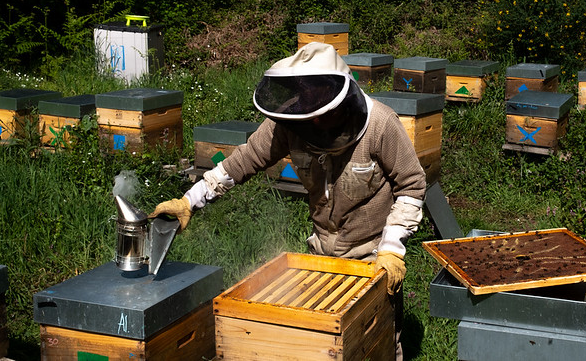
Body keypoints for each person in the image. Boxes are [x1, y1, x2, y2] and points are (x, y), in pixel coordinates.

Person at [151, 42, 426, 360]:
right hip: (321, 255)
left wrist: (391, 249)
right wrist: (189, 200)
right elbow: (244, 160)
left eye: (323, 113)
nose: (317, 123)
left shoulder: (380, 124)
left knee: (377, 346)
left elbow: (411, 186)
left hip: (372, 259)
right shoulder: (292, 119)